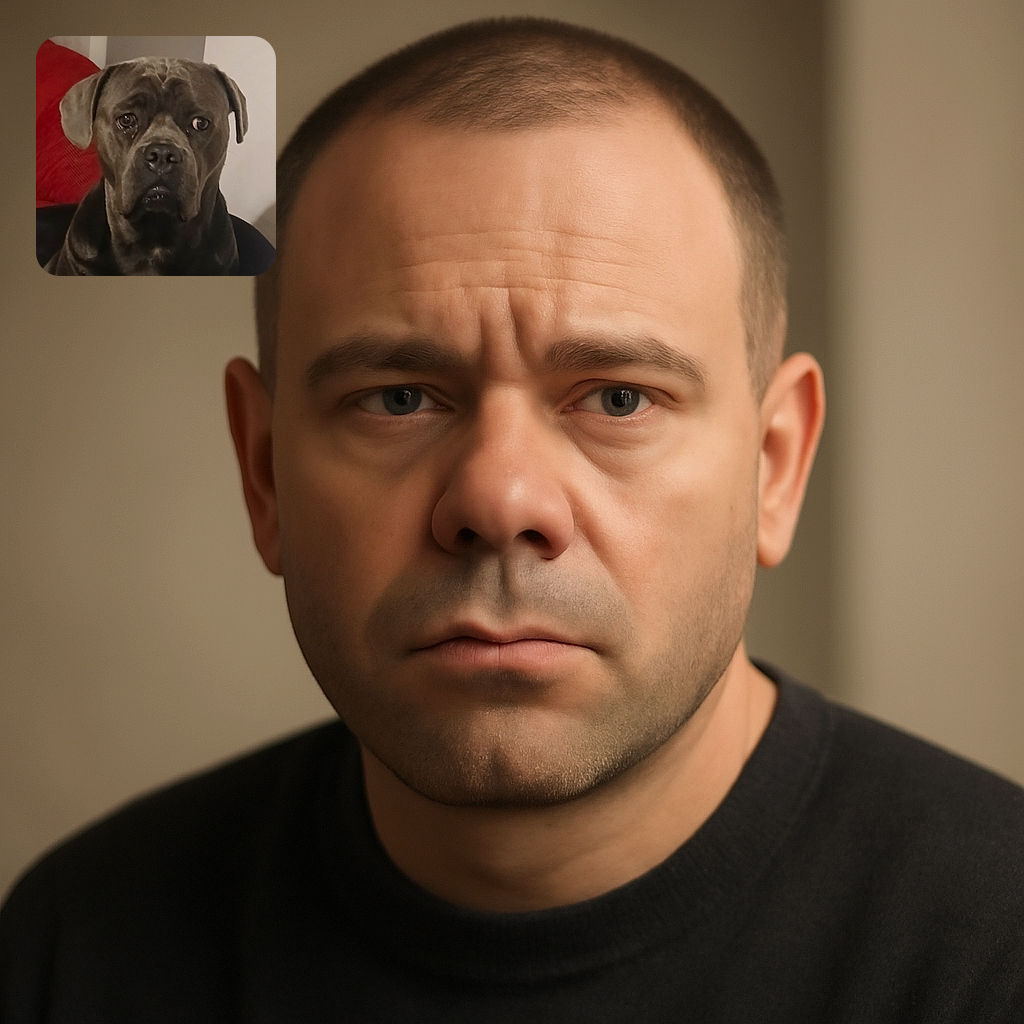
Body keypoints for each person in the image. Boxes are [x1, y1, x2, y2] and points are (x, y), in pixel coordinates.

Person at [2, 17, 1022, 1022]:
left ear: (775, 465)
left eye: (617, 398)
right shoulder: (74, 950)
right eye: (398, 397)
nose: (499, 501)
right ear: (263, 471)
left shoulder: (992, 949)